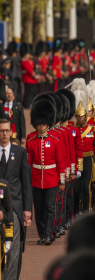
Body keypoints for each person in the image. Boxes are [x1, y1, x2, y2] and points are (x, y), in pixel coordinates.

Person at [26, 98, 66, 245]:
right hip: (36, 179)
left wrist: (61, 180)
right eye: (39, 123)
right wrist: (27, 181)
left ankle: (48, 235)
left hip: (51, 179)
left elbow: (60, 161)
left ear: (48, 123)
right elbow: (28, 163)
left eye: (43, 123)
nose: (41, 125)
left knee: (50, 208)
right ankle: (42, 234)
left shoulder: (55, 140)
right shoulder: (30, 140)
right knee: (39, 210)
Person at [0, 118, 31, 280]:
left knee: (12, 250)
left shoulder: (20, 152)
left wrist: (27, 210)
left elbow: (26, 182)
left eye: (6, 130)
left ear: (11, 132)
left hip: (14, 209)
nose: (4, 134)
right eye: (1, 131)